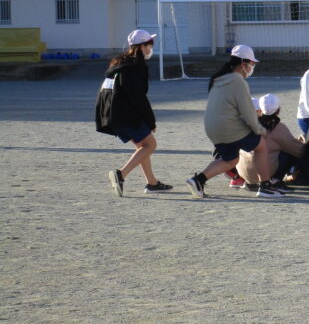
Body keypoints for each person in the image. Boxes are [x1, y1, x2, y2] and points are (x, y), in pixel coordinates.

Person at [185, 45, 285, 199]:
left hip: (212, 128)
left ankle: (198, 180)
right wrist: (260, 130)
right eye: (252, 63)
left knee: (231, 159)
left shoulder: (218, 79)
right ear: (243, 64)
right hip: (228, 126)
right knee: (261, 145)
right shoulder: (238, 81)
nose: (252, 67)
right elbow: (248, 112)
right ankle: (265, 186)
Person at [96, 29, 171, 197]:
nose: (151, 48)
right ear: (141, 47)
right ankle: (120, 174)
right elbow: (138, 97)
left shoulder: (119, 63)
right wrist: (151, 121)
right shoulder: (134, 67)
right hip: (125, 114)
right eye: (149, 45)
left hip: (112, 113)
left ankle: (152, 183)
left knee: (142, 146)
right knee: (150, 145)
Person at [236, 93, 304, 191]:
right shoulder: (278, 128)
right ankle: (276, 181)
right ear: (278, 110)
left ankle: (248, 182)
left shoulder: (248, 124)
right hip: (263, 173)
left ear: (259, 109)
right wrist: (304, 142)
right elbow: (297, 151)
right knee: (288, 153)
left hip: (243, 172)